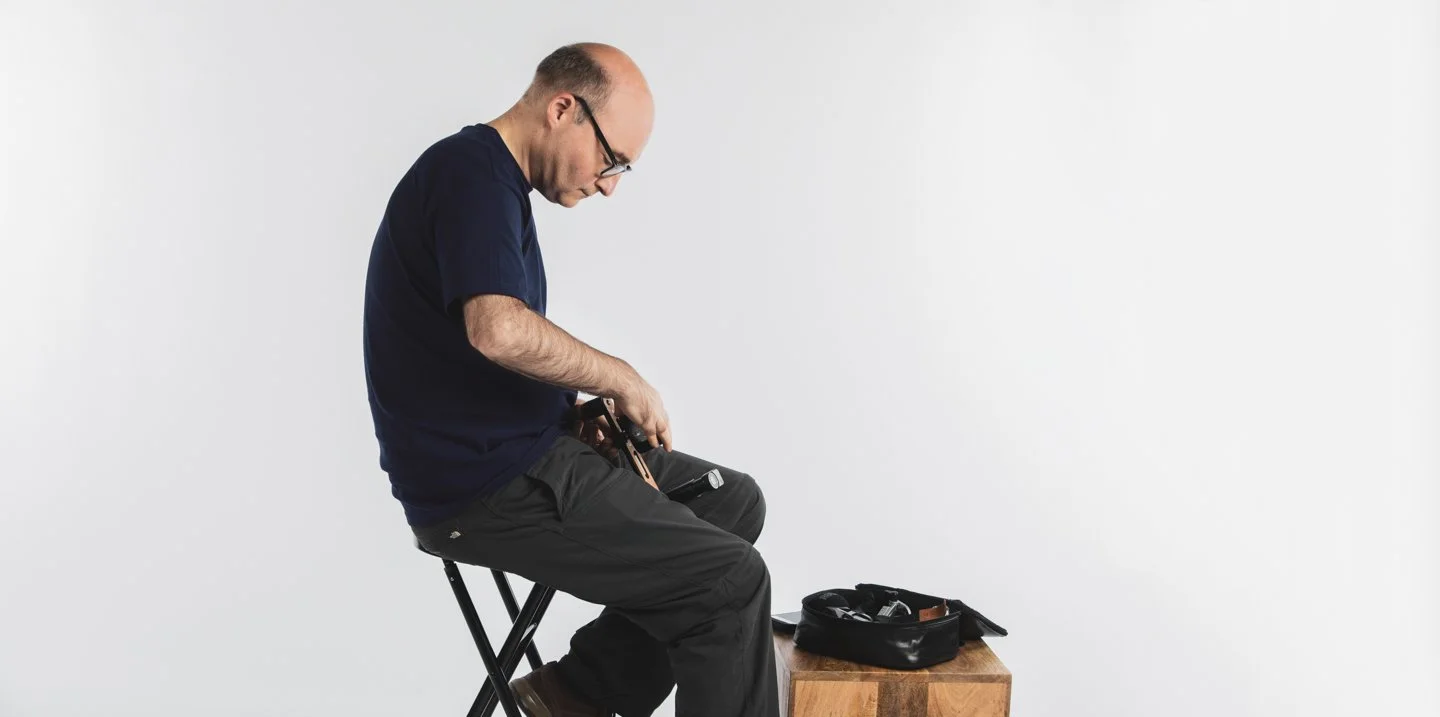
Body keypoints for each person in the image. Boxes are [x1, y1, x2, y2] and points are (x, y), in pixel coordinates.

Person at [362, 42, 779, 717]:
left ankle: (578, 693)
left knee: (732, 502)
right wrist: (618, 377)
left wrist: (567, 408)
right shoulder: (468, 174)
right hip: (486, 488)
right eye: (611, 160)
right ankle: (586, 692)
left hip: (520, 456)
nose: (610, 183)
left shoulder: (493, 185)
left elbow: (482, 353)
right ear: (564, 108)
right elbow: (497, 327)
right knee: (730, 581)